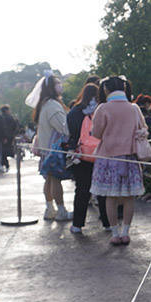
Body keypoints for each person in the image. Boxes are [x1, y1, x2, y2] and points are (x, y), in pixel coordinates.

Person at [90, 76, 146, 244]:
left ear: (106, 89)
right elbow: (143, 128)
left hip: (108, 158)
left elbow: (96, 133)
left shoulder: (103, 108)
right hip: (130, 158)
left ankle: (115, 233)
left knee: (111, 197)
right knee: (129, 197)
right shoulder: (134, 108)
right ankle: (126, 232)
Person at [65, 83, 108, 233]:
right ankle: (107, 222)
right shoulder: (101, 109)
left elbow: (69, 133)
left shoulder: (75, 111)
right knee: (102, 190)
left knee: (82, 190)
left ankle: (77, 224)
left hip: (81, 155)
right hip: (100, 153)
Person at [31, 73, 72, 221]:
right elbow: (64, 128)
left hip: (46, 149)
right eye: (57, 83)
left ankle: (49, 209)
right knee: (55, 180)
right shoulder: (53, 105)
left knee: (48, 180)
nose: (60, 85)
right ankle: (61, 211)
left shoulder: (44, 104)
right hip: (54, 150)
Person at [0, 104, 19, 171]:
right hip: (9, 137)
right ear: (6, 110)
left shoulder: (0, 117)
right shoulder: (10, 118)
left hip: (2, 137)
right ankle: (6, 165)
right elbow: (15, 128)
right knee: (5, 152)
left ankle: (4, 165)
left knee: (2, 152)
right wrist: (14, 135)